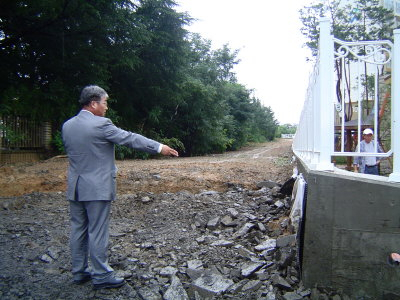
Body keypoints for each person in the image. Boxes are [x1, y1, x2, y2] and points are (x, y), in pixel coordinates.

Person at [62, 85, 179, 290]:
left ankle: (79, 272)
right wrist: (160, 147)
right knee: (98, 231)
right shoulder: (100, 124)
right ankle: (101, 275)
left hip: (76, 187)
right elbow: (130, 138)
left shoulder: (68, 126)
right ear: (93, 103)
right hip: (97, 188)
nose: (106, 107)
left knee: (78, 230)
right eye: (105, 102)